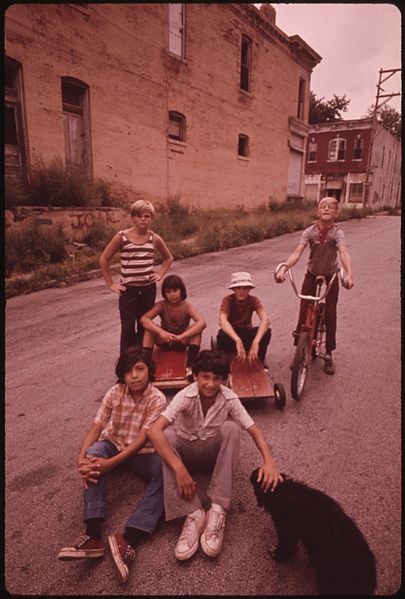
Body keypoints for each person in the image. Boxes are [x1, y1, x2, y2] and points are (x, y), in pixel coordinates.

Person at [147, 350, 283, 562]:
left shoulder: (228, 397)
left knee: (231, 429)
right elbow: (153, 431)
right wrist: (179, 469)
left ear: (224, 379)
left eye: (216, 378)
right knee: (166, 436)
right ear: (194, 375)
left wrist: (269, 462)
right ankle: (193, 514)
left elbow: (254, 429)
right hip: (186, 455)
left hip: (211, 456)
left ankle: (217, 510)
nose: (210, 384)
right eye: (205, 377)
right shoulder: (185, 396)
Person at [57, 347, 166, 585]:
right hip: (113, 444)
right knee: (94, 452)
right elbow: (97, 427)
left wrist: (109, 466)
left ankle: (128, 538)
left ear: (149, 370)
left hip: (142, 453)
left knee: (164, 472)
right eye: (128, 371)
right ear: (122, 376)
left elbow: (140, 442)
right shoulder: (114, 392)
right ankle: (93, 534)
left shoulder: (158, 398)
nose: (134, 376)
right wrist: (82, 458)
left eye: (140, 369)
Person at [274, 196, 353, 375]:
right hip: (312, 273)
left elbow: (343, 253)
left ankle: (329, 353)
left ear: (336, 213)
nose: (326, 209)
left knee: (331, 312)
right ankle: (299, 351)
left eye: (331, 207)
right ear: (317, 212)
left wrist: (348, 274)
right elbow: (297, 252)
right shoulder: (310, 231)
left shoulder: (337, 233)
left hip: (331, 274)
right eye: (322, 206)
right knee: (304, 309)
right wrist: (284, 270)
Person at [99, 199, 174, 352]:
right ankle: (126, 364)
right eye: (139, 216)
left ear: (151, 219)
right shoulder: (122, 237)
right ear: (133, 218)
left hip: (147, 290)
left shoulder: (154, 238)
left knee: (144, 326)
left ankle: (142, 361)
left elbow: (169, 258)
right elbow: (103, 259)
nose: (143, 219)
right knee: (127, 329)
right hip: (128, 291)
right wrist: (111, 284)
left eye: (147, 216)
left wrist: (160, 274)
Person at [141, 274, 206, 374]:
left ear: (181, 291)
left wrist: (181, 336)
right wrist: (161, 332)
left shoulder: (187, 306)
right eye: (168, 291)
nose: (172, 294)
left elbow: (202, 323)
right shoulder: (162, 305)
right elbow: (144, 319)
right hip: (164, 340)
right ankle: (146, 365)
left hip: (181, 341)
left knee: (197, 330)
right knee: (149, 329)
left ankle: (190, 366)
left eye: (175, 290)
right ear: (164, 293)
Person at [217, 271, 271, 367]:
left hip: (246, 332)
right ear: (233, 289)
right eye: (238, 288)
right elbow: (222, 320)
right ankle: (224, 361)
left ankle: (259, 359)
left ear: (249, 289)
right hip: (232, 334)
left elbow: (265, 320)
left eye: (245, 288)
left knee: (266, 332)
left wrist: (256, 341)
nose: (242, 291)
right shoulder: (228, 300)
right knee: (221, 334)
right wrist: (237, 340)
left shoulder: (254, 300)